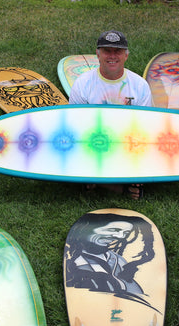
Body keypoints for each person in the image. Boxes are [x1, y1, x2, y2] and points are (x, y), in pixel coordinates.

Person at [69, 30, 152, 199]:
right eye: (107, 51)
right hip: (93, 142)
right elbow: (75, 126)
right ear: (98, 55)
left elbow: (145, 126)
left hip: (127, 142)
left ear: (126, 55)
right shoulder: (83, 84)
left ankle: (96, 183)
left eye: (118, 51)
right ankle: (121, 187)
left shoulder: (140, 86)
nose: (112, 56)